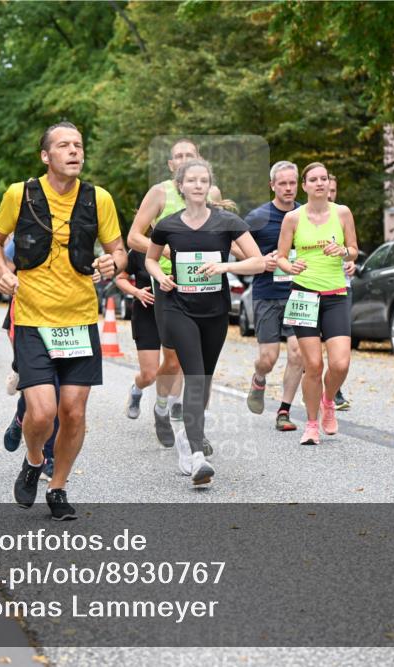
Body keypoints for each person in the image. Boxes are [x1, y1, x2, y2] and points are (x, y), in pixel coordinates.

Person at [0, 120, 126, 520]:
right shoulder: (20, 194)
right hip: (32, 317)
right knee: (43, 412)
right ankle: (33, 460)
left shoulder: (98, 199)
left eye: (78, 145)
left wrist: (111, 263)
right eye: (64, 146)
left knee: (74, 412)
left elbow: (119, 251)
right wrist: (2, 269)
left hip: (80, 319)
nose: (74, 151)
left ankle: (58, 486)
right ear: (46, 156)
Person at [147, 158, 265, 485]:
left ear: (209, 186)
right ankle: (198, 456)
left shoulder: (227, 222)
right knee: (195, 374)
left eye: (203, 180)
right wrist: (161, 277)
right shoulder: (168, 225)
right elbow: (150, 259)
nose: (198, 185)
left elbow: (257, 262)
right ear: (180, 187)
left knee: (205, 378)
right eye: (192, 180)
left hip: (214, 311)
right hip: (177, 307)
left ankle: (187, 439)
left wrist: (225, 268)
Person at [127, 139, 221, 446]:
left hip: (204, 283)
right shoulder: (159, 193)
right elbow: (134, 237)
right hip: (168, 284)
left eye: (189, 156)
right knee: (173, 360)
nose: (183, 160)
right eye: (178, 157)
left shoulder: (212, 194)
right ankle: (162, 407)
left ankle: (192, 429)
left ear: (199, 160)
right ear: (171, 166)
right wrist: (167, 250)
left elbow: (224, 235)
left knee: (198, 363)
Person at [276, 162, 358, 446]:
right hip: (304, 295)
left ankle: (328, 400)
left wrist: (345, 253)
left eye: (324, 178)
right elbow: (281, 257)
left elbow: (354, 251)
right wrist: (290, 268)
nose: (320, 183)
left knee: (340, 362)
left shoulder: (343, 213)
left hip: (336, 296)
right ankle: (311, 425)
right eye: (314, 179)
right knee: (312, 364)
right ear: (305, 186)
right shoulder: (293, 219)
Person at [243, 161, 304, 431]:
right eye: (283, 183)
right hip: (267, 293)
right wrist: (258, 260)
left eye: (292, 183)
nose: (288, 188)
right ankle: (259, 378)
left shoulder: (307, 214)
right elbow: (234, 246)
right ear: (272, 186)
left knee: (298, 352)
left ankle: (284, 411)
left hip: (300, 293)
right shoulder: (258, 217)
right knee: (268, 358)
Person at [115, 249, 163, 420]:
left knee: (175, 366)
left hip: (176, 314)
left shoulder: (181, 243)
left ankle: (163, 410)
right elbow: (120, 278)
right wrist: (136, 292)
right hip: (146, 314)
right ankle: (136, 390)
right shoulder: (139, 250)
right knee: (150, 375)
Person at [328, 173, 359, 412]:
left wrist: (350, 262)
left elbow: (352, 250)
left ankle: (333, 392)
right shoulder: (300, 216)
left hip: (340, 288)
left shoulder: (342, 214)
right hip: (308, 288)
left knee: (338, 349)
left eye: (333, 190)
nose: (328, 194)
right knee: (307, 352)